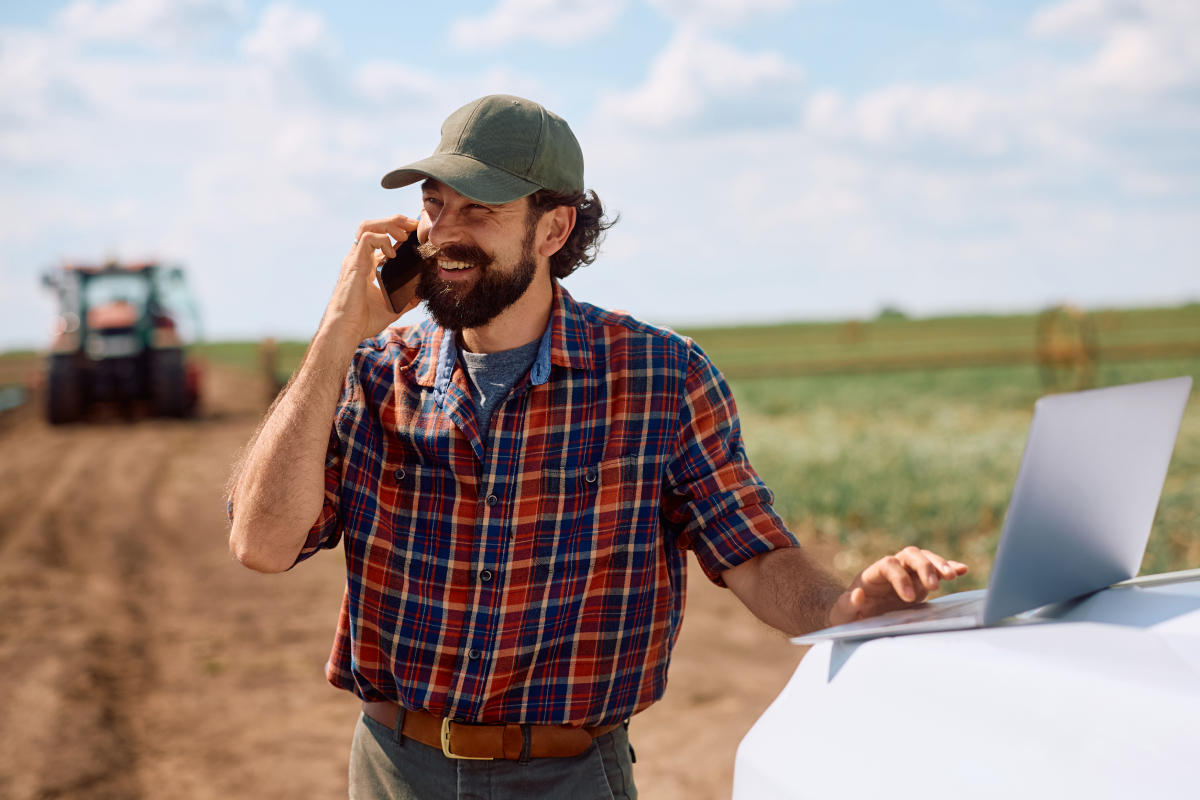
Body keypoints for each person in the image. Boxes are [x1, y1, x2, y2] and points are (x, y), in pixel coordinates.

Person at [228, 95, 967, 799]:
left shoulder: (660, 377)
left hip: (569, 780)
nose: (444, 232)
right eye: (435, 205)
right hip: (395, 772)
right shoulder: (372, 372)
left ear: (551, 231)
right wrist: (334, 334)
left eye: (478, 210)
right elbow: (260, 544)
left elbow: (753, 552)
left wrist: (841, 606)